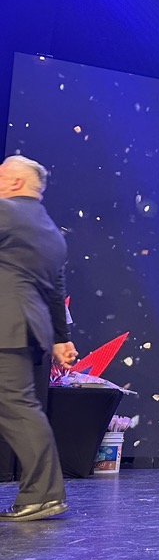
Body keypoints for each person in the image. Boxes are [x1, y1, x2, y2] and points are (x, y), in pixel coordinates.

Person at [0, 155, 78, 521]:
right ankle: (44, 493)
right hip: (29, 328)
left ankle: (44, 494)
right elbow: (55, 291)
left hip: (7, 325)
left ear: (15, 182)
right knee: (19, 405)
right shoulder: (51, 232)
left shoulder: (6, 211)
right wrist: (61, 339)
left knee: (17, 407)